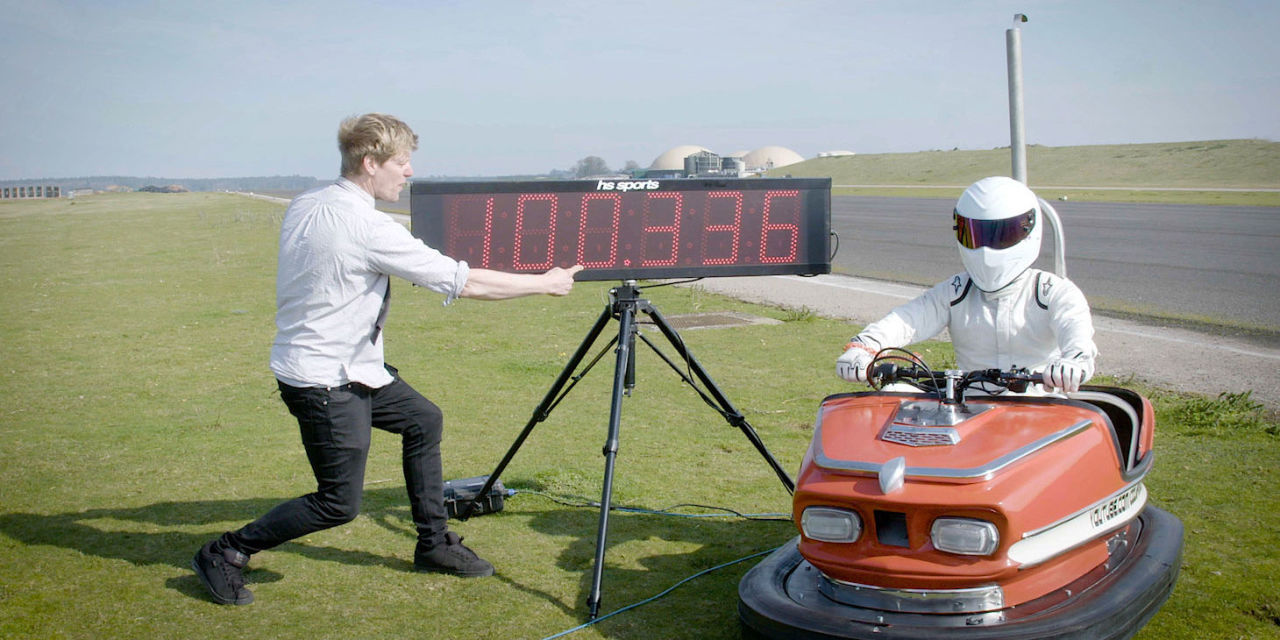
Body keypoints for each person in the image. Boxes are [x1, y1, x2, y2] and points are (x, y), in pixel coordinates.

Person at [193, 113, 582, 606]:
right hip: (324, 379)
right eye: (402, 162)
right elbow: (464, 282)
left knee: (423, 420)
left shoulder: (310, 201)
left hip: (350, 368)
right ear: (371, 162)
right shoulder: (365, 225)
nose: (410, 172)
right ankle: (225, 553)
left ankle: (434, 544)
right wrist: (544, 283)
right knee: (337, 503)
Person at [835, 176, 1096, 393]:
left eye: (1002, 234)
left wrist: (1072, 364)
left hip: (1043, 413)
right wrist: (863, 346)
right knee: (892, 396)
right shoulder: (957, 290)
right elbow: (907, 319)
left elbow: (1079, 341)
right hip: (968, 413)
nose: (985, 247)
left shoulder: (1054, 292)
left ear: (1030, 229)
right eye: (975, 234)